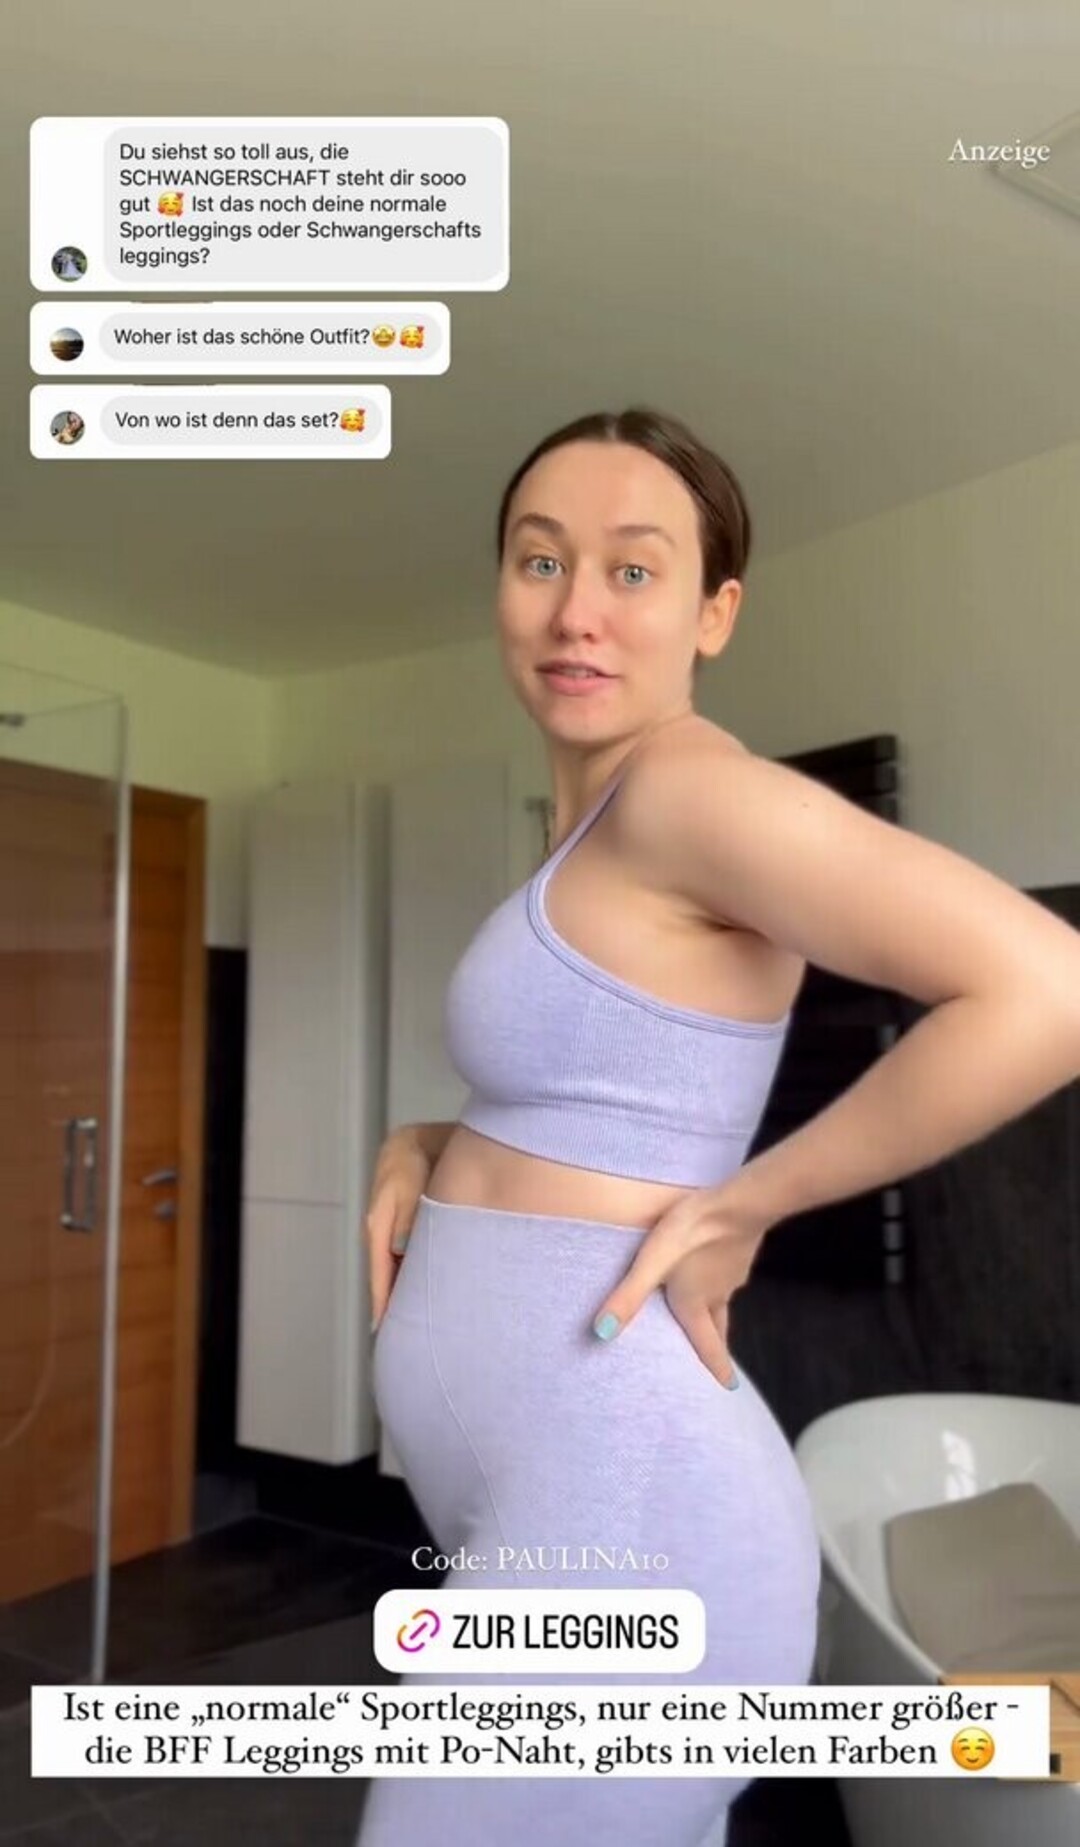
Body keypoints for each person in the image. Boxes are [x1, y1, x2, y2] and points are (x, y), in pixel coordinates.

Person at [357, 406, 1080, 1846]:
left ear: (714, 613)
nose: (576, 609)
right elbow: (600, 1104)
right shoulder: (595, 827)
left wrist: (752, 1203)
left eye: (634, 569)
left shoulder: (691, 794)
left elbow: (1048, 988)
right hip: (553, 1503)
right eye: (540, 559)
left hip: (634, 1513)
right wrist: (429, 1145)